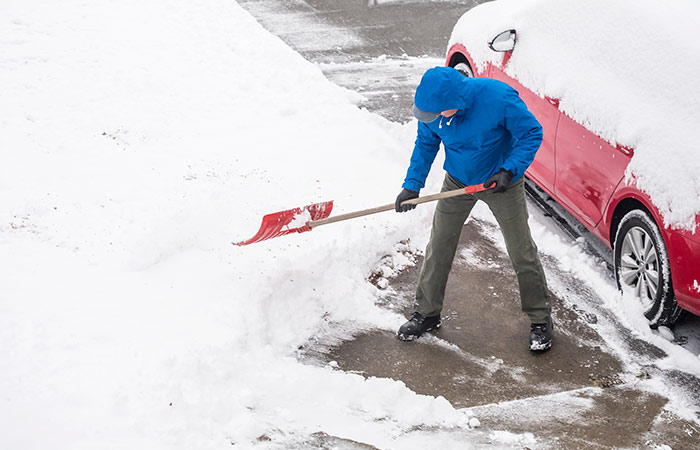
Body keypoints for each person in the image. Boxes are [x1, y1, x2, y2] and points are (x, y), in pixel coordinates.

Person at [395, 66, 553, 351]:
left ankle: (540, 318)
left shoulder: (498, 98)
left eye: (440, 113)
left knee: (521, 251)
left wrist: (509, 169)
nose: (435, 121)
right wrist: (412, 185)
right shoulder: (433, 111)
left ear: (455, 102)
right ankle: (427, 313)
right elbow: (425, 144)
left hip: (500, 183)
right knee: (439, 244)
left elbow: (532, 133)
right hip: (457, 181)